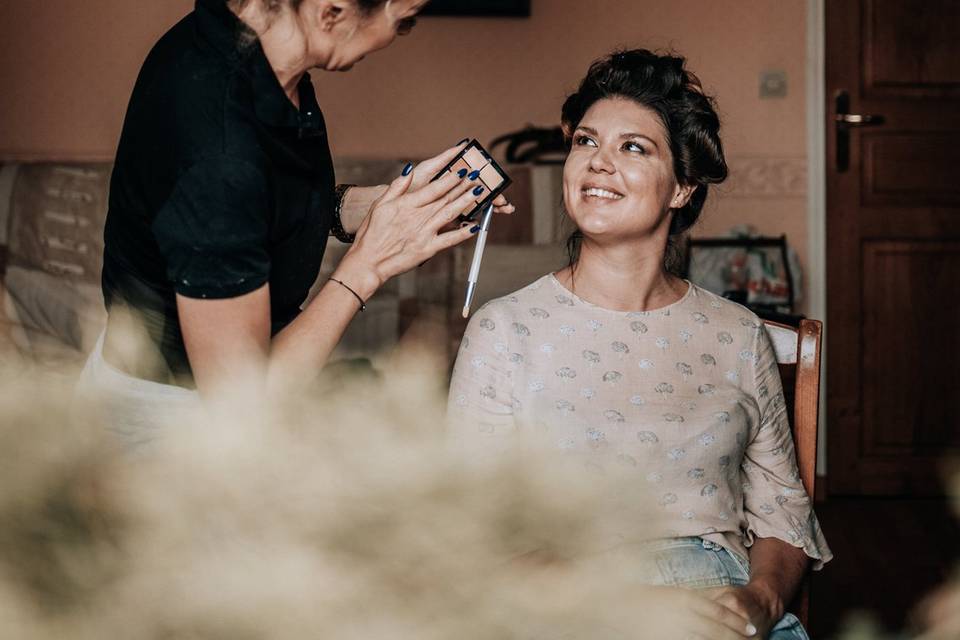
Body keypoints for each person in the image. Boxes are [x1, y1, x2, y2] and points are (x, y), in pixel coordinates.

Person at [448, 49, 831, 640]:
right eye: (585, 141)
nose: (598, 162)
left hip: (717, 605)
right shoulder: (505, 330)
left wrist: (761, 598)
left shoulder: (737, 335)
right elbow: (472, 527)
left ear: (682, 187)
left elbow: (783, 510)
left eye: (633, 147)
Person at [80, 0, 512, 439]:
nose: (396, 37)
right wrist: (370, 264)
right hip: (175, 425)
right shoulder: (219, 156)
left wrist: (386, 207)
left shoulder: (255, 48)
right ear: (333, 13)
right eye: (403, 22)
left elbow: (259, 208)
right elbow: (240, 403)